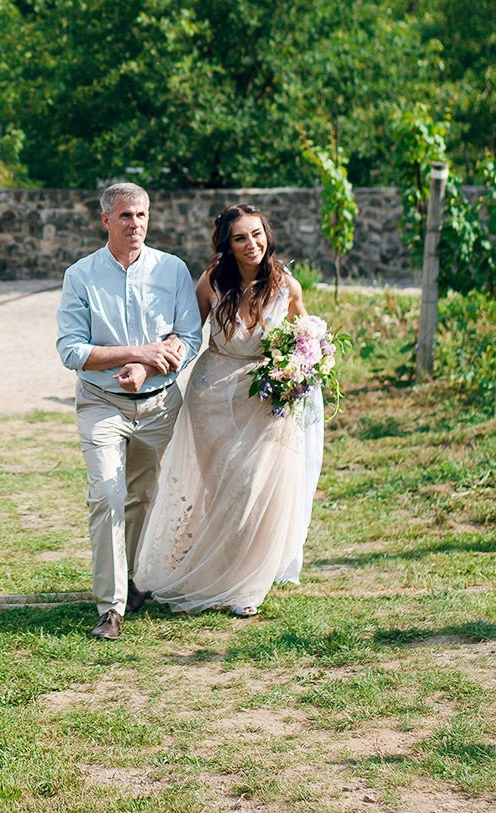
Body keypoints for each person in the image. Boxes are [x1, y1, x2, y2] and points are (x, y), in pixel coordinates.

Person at [133, 203, 321, 618]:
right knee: (222, 489)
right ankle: (212, 571)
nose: (251, 244)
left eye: (257, 234)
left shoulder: (287, 287)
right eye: (240, 237)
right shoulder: (212, 282)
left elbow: (306, 338)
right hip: (211, 398)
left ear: (267, 235)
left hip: (265, 399)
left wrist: (301, 368)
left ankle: (245, 585)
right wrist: (149, 364)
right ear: (228, 244)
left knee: (252, 488)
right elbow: (186, 335)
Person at [55, 182, 201, 640]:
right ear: (105, 220)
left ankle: (134, 581)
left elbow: (189, 336)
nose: (135, 223)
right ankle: (110, 608)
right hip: (101, 403)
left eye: (141, 215)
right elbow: (71, 350)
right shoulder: (80, 276)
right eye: (125, 215)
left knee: (142, 497)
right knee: (106, 495)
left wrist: (149, 365)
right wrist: (137, 354)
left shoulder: (172, 269)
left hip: (159, 405)